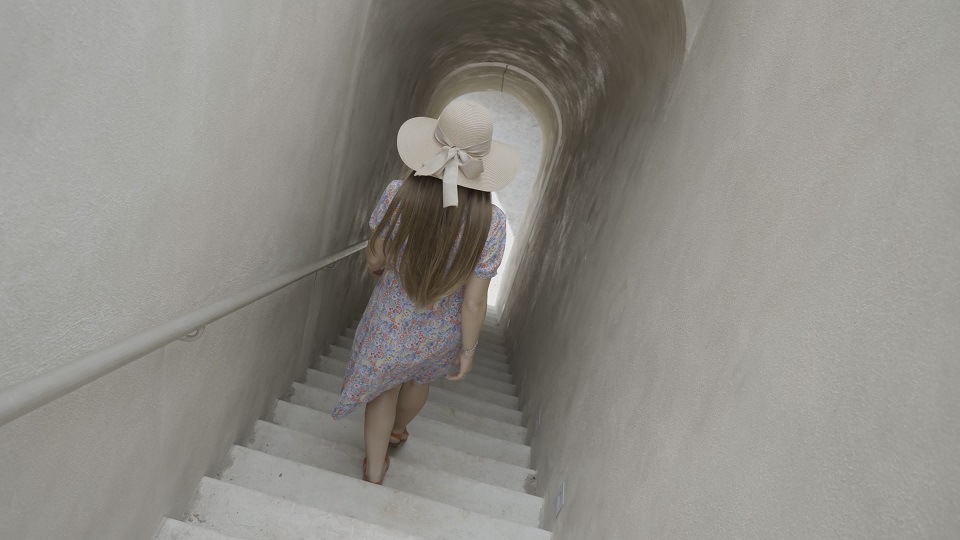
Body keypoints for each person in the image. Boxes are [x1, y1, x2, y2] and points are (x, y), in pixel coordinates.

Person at [332, 100, 518, 485]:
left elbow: (376, 254)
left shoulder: (399, 194)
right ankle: (399, 431)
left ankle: (375, 467)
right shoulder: (492, 222)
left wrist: (376, 267)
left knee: (383, 390)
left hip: (391, 317)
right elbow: (474, 300)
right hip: (442, 328)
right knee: (418, 382)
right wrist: (468, 350)